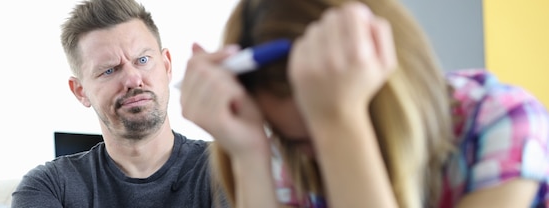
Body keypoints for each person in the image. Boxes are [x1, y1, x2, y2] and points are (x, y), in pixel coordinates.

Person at [178, 0, 549, 207]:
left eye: (319, 134)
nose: (315, 158)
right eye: (298, 141)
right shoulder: (293, 159)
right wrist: (247, 156)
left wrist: (338, 121)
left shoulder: (502, 120)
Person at [11, 0, 221, 207]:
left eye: (143, 60)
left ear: (166, 66)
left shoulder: (227, 167)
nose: (133, 79)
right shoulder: (49, 187)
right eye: (109, 70)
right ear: (80, 91)